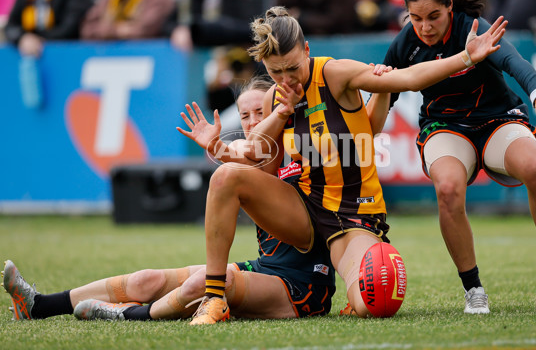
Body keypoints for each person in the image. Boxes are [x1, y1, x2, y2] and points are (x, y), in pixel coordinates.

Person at [183, 5, 507, 324]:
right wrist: (241, 135)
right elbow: (258, 151)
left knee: (373, 304)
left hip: (353, 213)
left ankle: (351, 290)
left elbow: (409, 79)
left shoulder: (334, 73)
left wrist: (466, 57)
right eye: (275, 71)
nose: (285, 78)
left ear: (307, 49)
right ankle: (214, 298)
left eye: (292, 68)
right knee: (226, 177)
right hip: (305, 210)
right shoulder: (276, 98)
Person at [1, 77, 337, 322]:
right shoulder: (244, 153)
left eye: (259, 112)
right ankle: (40, 305)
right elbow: (242, 152)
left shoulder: (300, 146)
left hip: (303, 287)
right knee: (148, 279)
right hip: (266, 269)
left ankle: (129, 315)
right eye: (244, 115)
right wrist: (216, 146)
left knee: (211, 282)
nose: (251, 122)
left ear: (279, 109)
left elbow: (256, 153)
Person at [383, 0, 536, 314]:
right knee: (447, 189)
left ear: (449, 6)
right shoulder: (406, 43)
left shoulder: (472, 28)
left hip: (497, 120)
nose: (425, 27)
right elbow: (381, 95)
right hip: (445, 127)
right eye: (415, 18)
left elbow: (512, 60)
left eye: (433, 16)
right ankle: (473, 289)